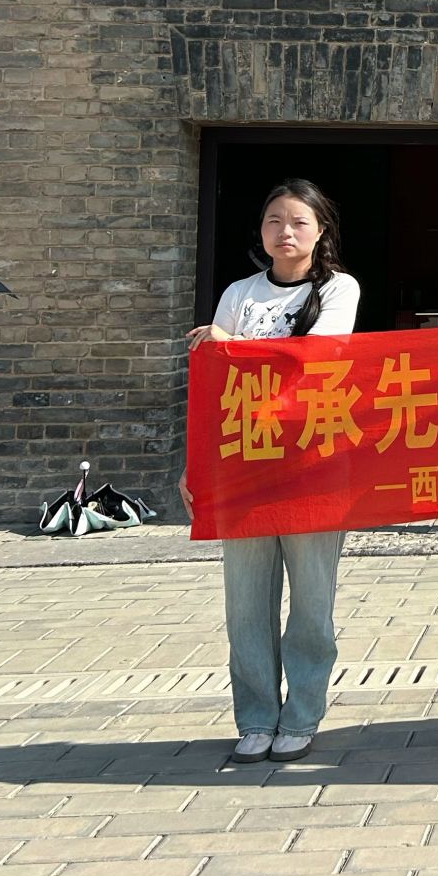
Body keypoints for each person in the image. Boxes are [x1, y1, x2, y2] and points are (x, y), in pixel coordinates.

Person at [178, 179, 361, 765]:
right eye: (274, 220)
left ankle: (302, 716)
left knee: (311, 604)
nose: (286, 232)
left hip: (313, 465)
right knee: (246, 605)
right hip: (245, 468)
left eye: (299, 221)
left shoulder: (338, 289)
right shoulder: (240, 293)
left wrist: (231, 343)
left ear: (321, 230)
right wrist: (196, 466)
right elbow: (213, 386)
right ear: (260, 231)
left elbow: (316, 360)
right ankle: (255, 717)